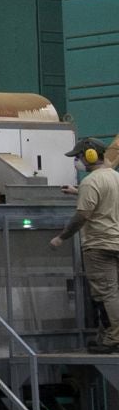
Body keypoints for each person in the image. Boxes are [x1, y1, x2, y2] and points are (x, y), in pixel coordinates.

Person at [54, 139, 119, 352]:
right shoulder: (115, 177)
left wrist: (62, 237)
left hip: (99, 245)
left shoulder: (91, 182)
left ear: (89, 155)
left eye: (78, 156)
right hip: (116, 242)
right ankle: (106, 336)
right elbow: (104, 196)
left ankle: (113, 339)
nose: (76, 161)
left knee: (105, 294)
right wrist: (78, 191)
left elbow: (82, 215)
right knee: (113, 292)